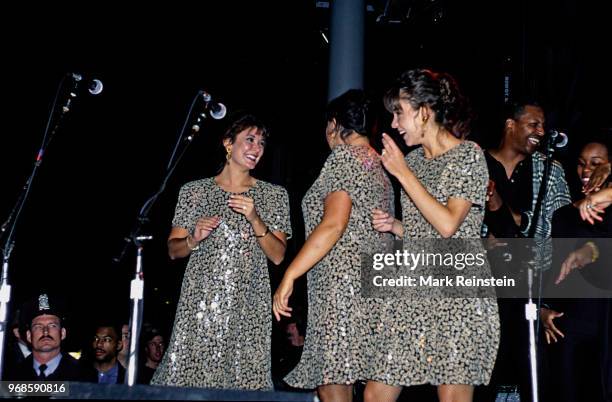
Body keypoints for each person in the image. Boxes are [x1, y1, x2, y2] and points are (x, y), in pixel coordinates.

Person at [366, 69, 499, 402]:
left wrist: (403, 174)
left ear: (424, 111)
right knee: (375, 394)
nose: (394, 124)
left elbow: (449, 225)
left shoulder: (468, 155)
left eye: (399, 112)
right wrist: (396, 226)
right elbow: (425, 228)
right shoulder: (413, 161)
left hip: (457, 295)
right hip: (412, 291)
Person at [151, 113, 292, 390]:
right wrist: (193, 239)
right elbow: (172, 249)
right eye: (249, 140)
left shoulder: (274, 195)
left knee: (242, 384)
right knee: (190, 383)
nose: (257, 149)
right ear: (228, 143)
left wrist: (255, 219)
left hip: (248, 310)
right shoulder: (195, 191)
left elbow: (277, 255)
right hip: (199, 308)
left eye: (261, 143)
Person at [273, 89, 394, 402]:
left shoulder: (343, 158)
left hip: (342, 287)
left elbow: (333, 224)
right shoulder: (379, 166)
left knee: (331, 380)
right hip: (375, 284)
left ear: (334, 125)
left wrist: (290, 274)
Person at [478, 100, 572, 401]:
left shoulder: (549, 170)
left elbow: (563, 230)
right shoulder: (475, 164)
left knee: (535, 379)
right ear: (510, 125)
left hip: (530, 291)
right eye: (534, 124)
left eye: (543, 126)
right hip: (484, 292)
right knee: (481, 380)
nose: (541, 132)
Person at [540, 138, 612, 402]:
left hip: (604, 324)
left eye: (596, 164)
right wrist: (543, 309)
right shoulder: (563, 216)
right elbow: (553, 273)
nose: (586, 170)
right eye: (582, 164)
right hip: (569, 326)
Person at [11, 293, 96, 382]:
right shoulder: (13, 376)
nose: (45, 331)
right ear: (29, 336)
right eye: (38, 327)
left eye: (52, 326)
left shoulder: (84, 375)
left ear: (63, 333)